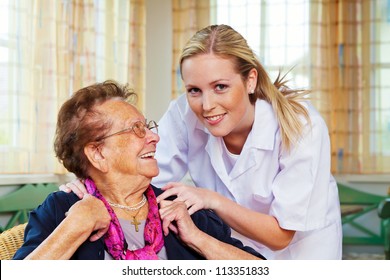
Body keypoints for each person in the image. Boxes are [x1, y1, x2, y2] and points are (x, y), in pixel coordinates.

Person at [61, 24, 342, 260]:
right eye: (194, 90)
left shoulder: (302, 126)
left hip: (300, 254)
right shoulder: (184, 113)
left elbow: (281, 236)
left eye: (221, 87)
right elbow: (140, 172)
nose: (207, 106)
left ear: (250, 80)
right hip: (230, 249)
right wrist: (89, 182)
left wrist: (211, 199)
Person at [13, 80, 264, 260]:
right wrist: (75, 226)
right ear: (98, 153)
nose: (154, 137)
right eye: (135, 129)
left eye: (148, 126)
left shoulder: (178, 207)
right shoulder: (62, 210)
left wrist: (198, 238)